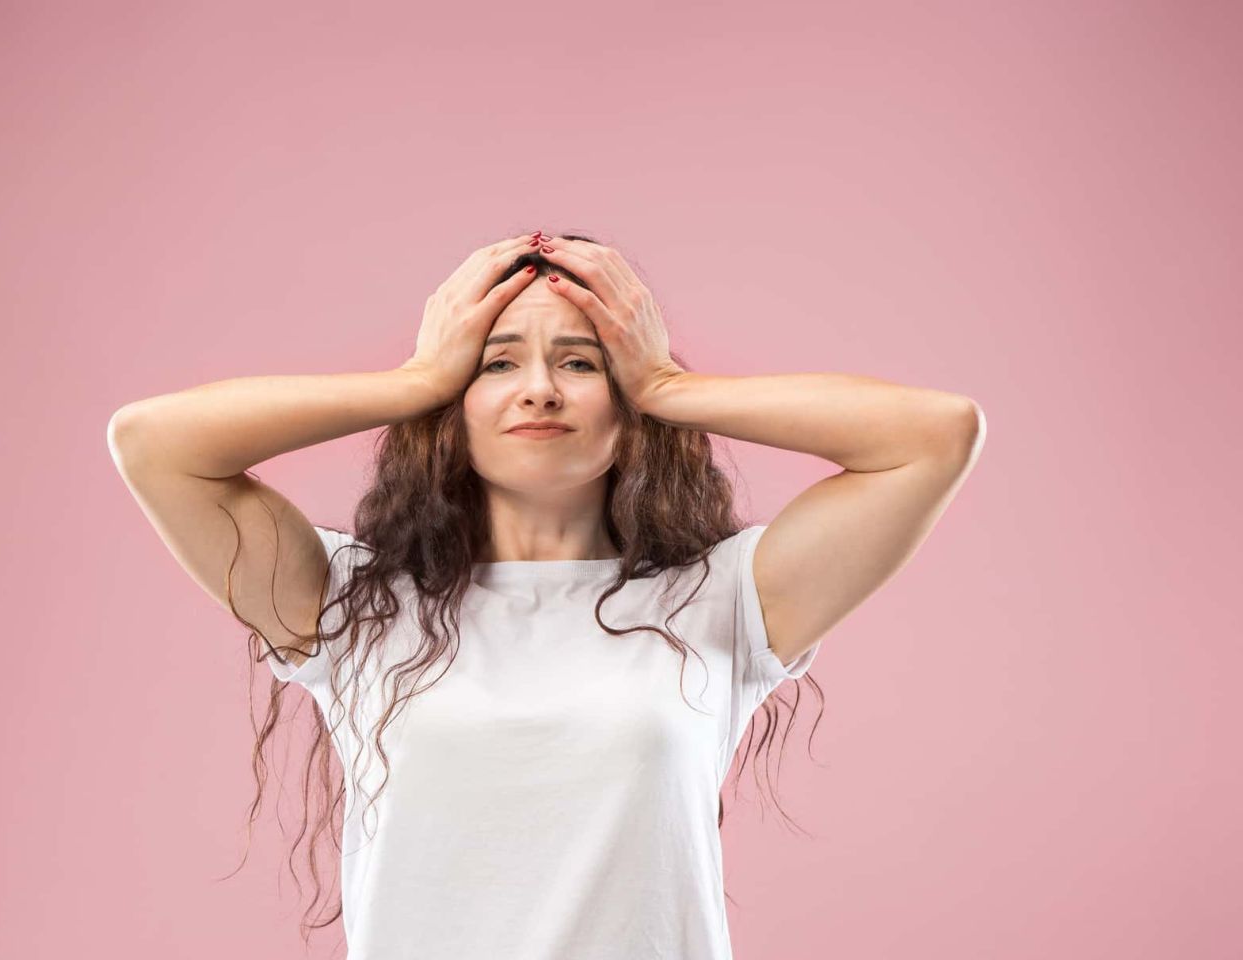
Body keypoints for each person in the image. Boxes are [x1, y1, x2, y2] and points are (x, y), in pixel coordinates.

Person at [106, 229, 985, 959]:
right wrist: (412, 381)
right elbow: (154, 442)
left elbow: (934, 435)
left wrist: (669, 385)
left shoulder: (724, 599)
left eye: (581, 362)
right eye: (495, 364)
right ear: (457, 401)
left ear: (627, 402)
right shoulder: (353, 608)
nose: (539, 389)